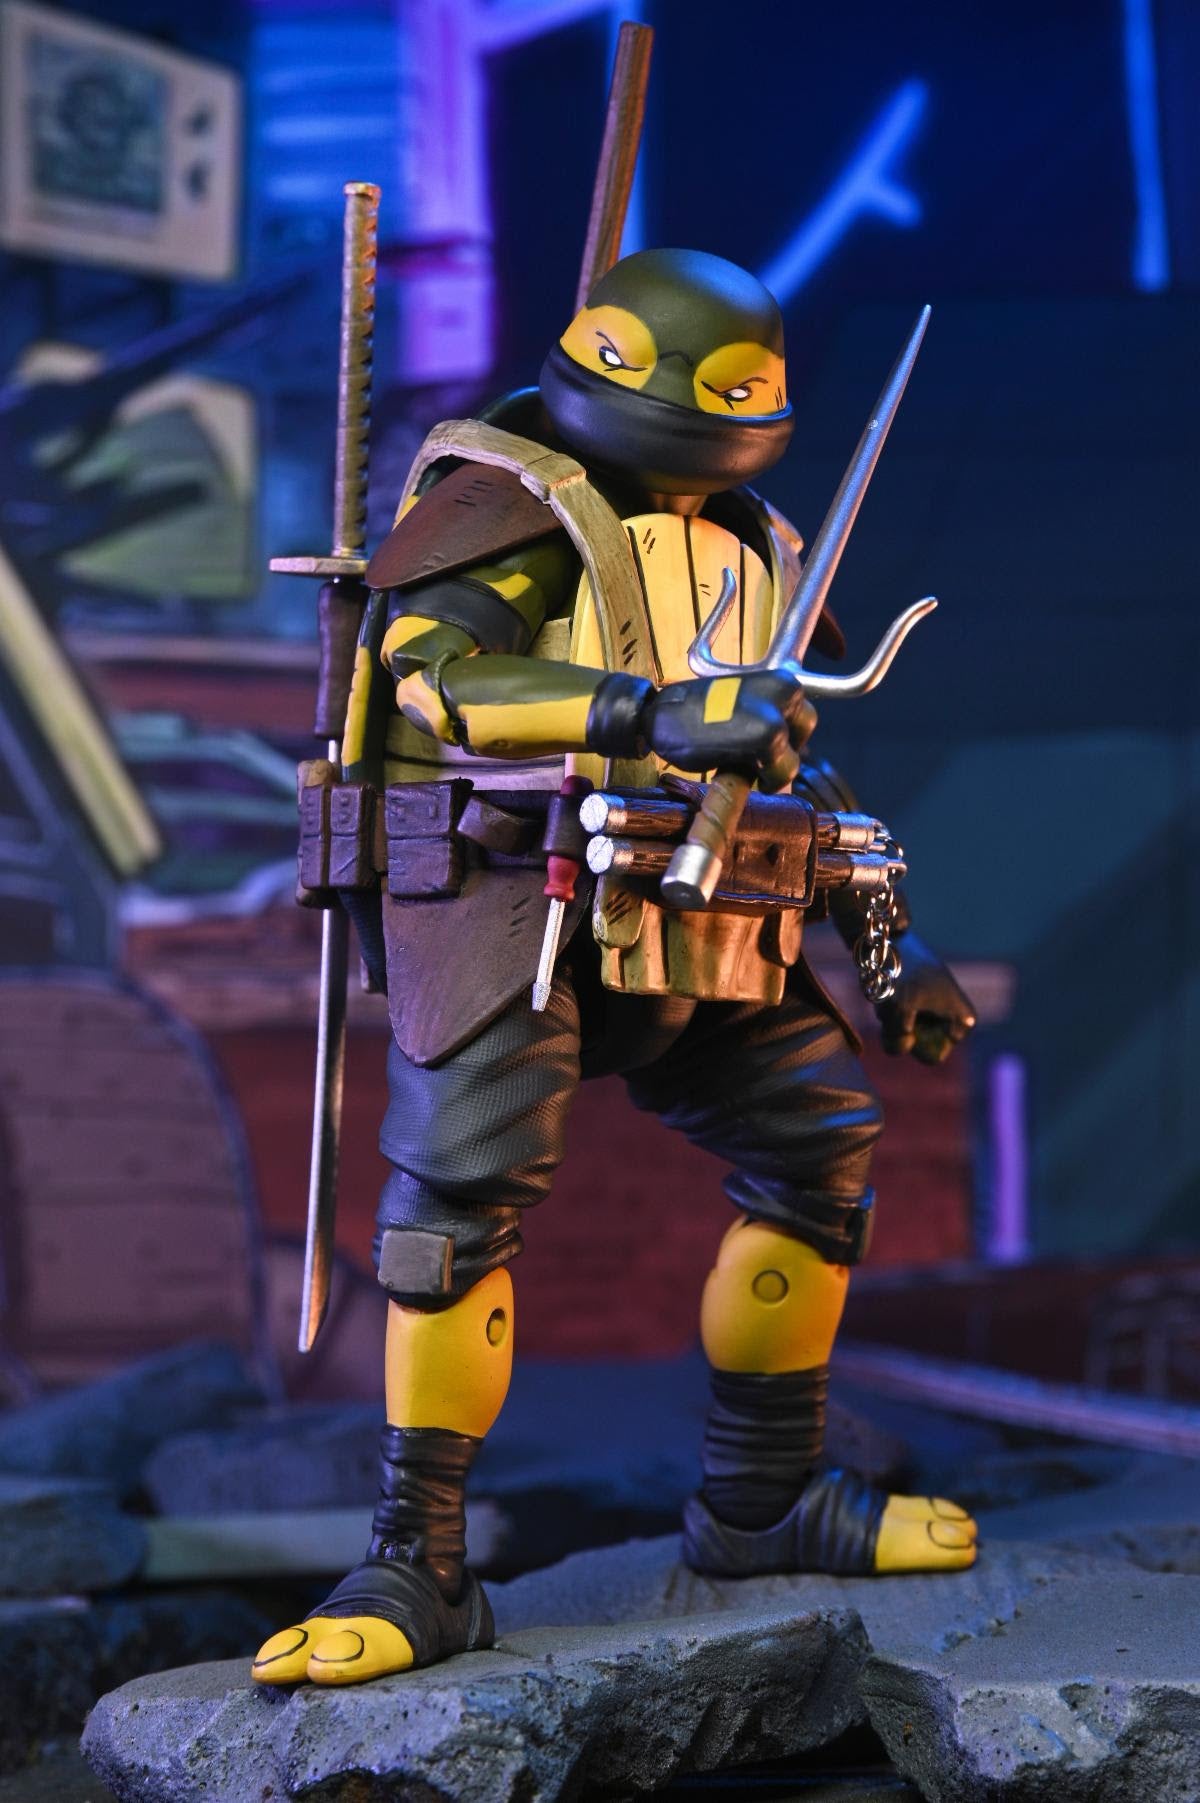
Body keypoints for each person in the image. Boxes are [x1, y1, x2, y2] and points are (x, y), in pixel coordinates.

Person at [253, 248, 978, 1689]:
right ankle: (416, 1563)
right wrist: (648, 712)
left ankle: (762, 1499)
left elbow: (797, 763)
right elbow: (437, 676)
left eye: (747, 395)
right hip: (511, 893)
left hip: (701, 897)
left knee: (819, 1145)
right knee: (452, 1214)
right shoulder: (512, 508)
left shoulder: (761, 543)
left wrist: (900, 955)